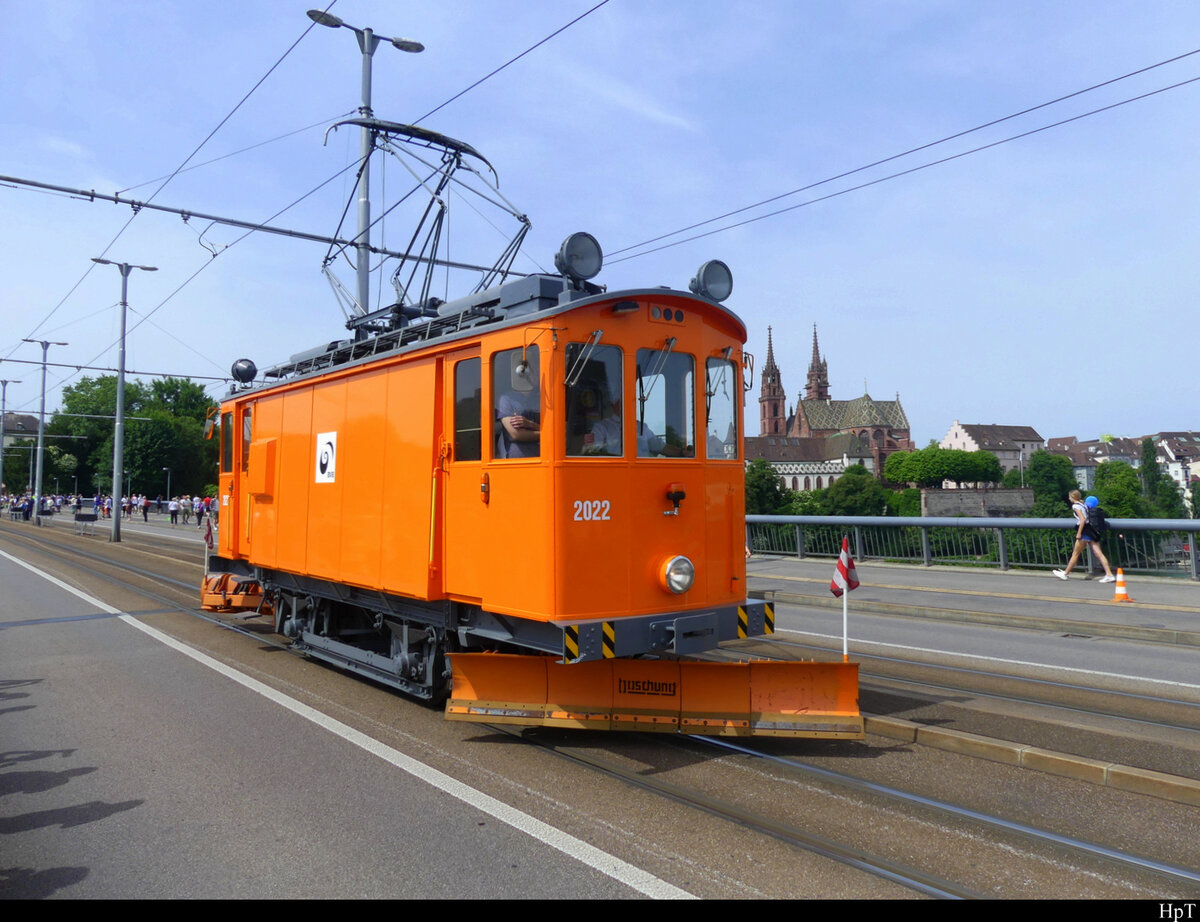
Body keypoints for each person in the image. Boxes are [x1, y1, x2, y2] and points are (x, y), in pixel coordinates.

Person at [1053, 490, 1115, 582]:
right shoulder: (1084, 505)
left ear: (1072, 497)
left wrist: (1079, 533)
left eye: (1069, 497)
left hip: (1084, 532)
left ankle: (1065, 574)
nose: (1069, 498)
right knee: (1099, 553)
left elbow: (1082, 519)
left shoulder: (1076, 506)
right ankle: (1109, 574)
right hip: (1091, 530)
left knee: (1075, 554)